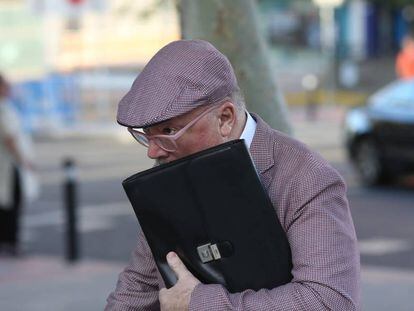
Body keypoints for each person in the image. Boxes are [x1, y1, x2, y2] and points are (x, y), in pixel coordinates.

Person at [105, 40, 360, 310]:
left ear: (225, 118)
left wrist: (198, 304)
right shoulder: (170, 175)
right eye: (146, 135)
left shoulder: (307, 177)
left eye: (168, 131)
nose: (153, 151)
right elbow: (136, 289)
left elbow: (329, 300)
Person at [0, 74, 35, 256]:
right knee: (11, 203)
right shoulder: (3, 109)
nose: (10, 89)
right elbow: (9, 138)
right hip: (8, 165)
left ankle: (7, 241)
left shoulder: (6, 107)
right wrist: (24, 160)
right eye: (6, 86)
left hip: (6, 165)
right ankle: (10, 242)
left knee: (8, 203)